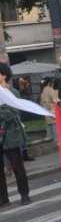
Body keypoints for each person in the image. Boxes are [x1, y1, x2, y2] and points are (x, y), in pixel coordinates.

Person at [0, 63, 31, 206]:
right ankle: (3, 198)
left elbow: (13, 113)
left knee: (17, 166)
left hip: (11, 134)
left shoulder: (13, 92)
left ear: (4, 75)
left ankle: (24, 194)